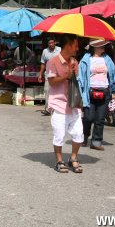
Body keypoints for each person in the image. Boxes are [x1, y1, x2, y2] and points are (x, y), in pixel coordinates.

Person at [46, 34, 84, 173]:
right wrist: (66, 76)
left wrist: (73, 72)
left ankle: (73, 158)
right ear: (68, 45)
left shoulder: (75, 62)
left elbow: (75, 82)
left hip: (73, 104)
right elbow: (52, 82)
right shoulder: (53, 62)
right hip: (58, 104)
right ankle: (59, 160)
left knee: (79, 134)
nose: (77, 48)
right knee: (59, 135)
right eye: (76, 45)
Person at [78, 39, 115, 151]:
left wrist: (113, 91)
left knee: (100, 119)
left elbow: (113, 75)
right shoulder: (86, 59)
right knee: (88, 117)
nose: (103, 48)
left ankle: (96, 141)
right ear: (94, 47)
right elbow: (80, 77)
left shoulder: (107, 59)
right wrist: (81, 93)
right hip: (90, 91)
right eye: (101, 46)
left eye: (104, 46)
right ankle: (84, 135)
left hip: (104, 91)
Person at [38, 38, 61, 115]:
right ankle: (48, 109)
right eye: (49, 43)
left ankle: (57, 109)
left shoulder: (60, 50)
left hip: (58, 74)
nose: (51, 44)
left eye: (52, 43)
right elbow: (43, 63)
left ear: (55, 43)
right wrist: (40, 74)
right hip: (48, 73)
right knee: (47, 90)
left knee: (58, 91)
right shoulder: (45, 51)